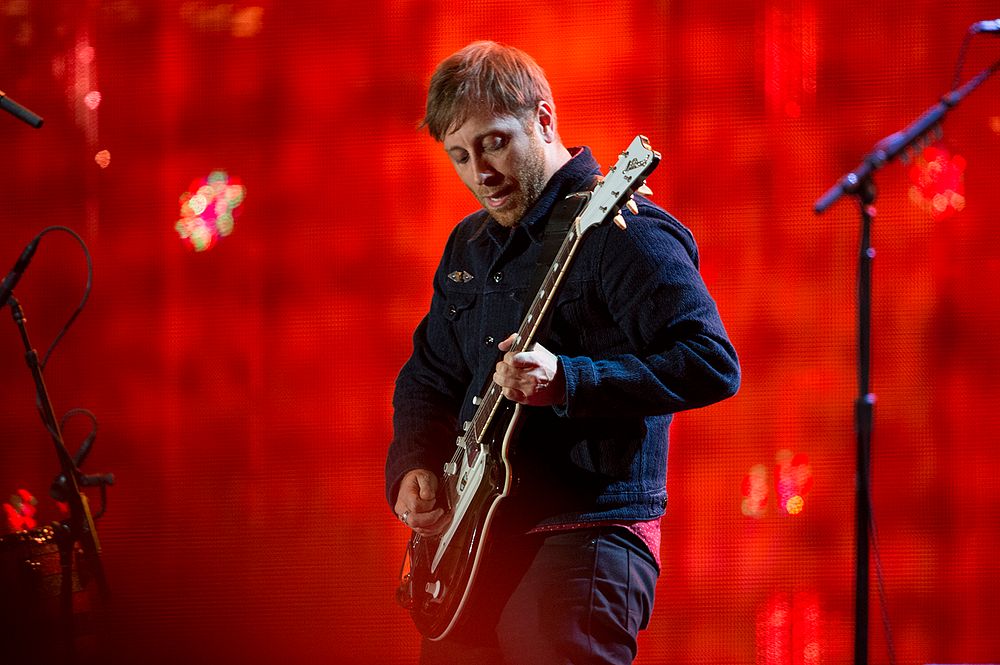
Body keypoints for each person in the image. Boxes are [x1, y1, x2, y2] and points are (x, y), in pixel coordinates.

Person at [385, 41, 740, 664]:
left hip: (586, 531)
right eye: (460, 156)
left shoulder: (625, 231)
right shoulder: (467, 247)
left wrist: (570, 379)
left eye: (494, 143)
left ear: (543, 120)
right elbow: (428, 376)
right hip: (476, 540)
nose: (480, 174)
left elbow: (711, 361)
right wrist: (413, 463)